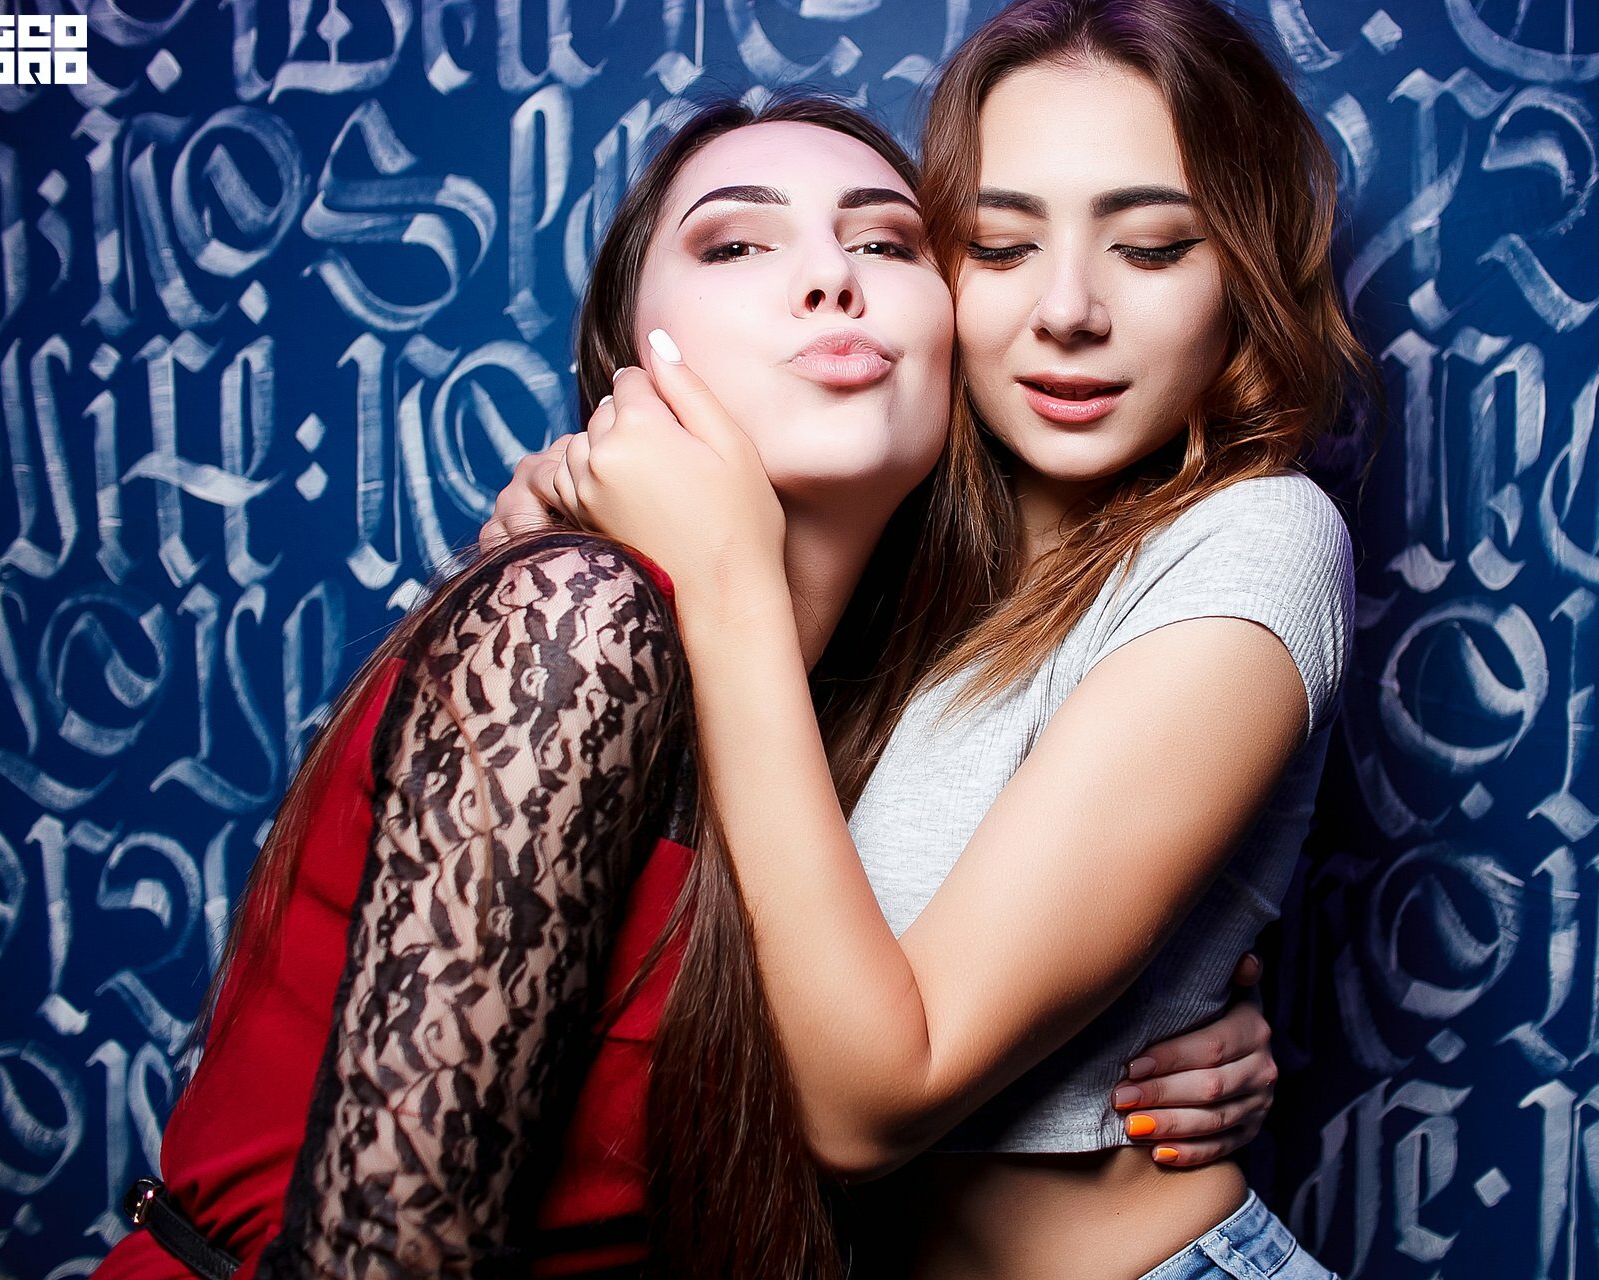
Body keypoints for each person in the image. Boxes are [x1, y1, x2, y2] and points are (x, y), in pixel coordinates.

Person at [97, 94, 1277, 1280]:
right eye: (735, 244)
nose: (830, 277)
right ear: (625, 358)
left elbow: (912, 1000)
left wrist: (1159, 1019)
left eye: (885, 241)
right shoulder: (573, 625)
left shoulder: (853, 719)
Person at [505, 1, 1375, 1276]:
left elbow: (869, 1103)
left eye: (1150, 248)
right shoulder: (889, 546)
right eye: (1001, 246)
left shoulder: (1258, 538)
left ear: (1241, 275)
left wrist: (729, 581)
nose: (1067, 310)